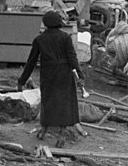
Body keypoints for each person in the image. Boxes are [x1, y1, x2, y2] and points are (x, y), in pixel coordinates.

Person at [18, 10, 83, 148]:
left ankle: (43, 130)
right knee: (64, 104)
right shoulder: (65, 37)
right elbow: (72, 57)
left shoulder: (39, 39)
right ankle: (61, 135)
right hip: (64, 74)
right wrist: (79, 74)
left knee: (48, 102)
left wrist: (22, 80)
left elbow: (31, 62)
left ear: (46, 23)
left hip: (48, 74)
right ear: (58, 22)